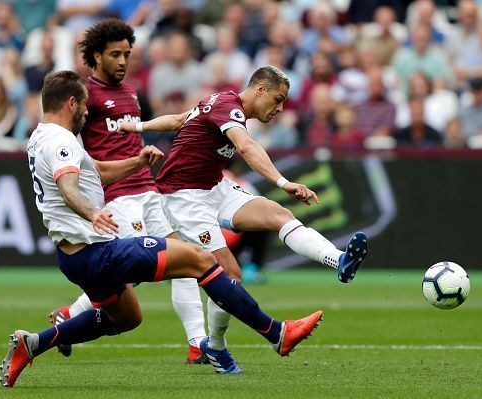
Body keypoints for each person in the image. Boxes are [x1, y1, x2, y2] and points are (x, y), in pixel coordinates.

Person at [0, 70, 323, 387]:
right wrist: (93, 211)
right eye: (84, 105)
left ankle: (34, 344)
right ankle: (277, 333)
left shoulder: (42, 138)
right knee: (201, 260)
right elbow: (68, 187)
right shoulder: (59, 141)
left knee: (127, 317)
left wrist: (137, 163)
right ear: (71, 103)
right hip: (97, 251)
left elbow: (94, 172)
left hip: (74, 257)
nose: (87, 111)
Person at [119, 65, 367, 374]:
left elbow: (179, 120)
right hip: (183, 198)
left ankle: (339, 261)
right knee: (228, 272)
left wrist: (139, 127)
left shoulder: (219, 104)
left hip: (214, 187)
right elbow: (247, 146)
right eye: (277, 100)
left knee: (279, 214)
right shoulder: (227, 106)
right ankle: (216, 346)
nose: (279, 109)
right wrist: (282, 182)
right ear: (260, 89)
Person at [46, 18, 209, 364]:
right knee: (133, 273)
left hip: (147, 191)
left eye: (127, 54)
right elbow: (71, 146)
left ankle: (198, 343)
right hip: (117, 197)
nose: (123, 61)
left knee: (186, 259)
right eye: (115, 54)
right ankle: (72, 313)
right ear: (96, 56)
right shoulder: (84, 96)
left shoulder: (132, 92)